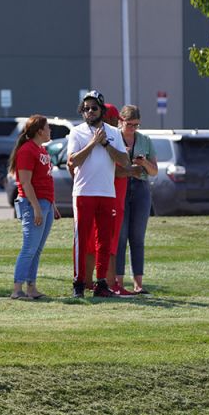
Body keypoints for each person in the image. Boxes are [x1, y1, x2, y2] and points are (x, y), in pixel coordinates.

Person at [67, 89, 129, 299]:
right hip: (84, 192)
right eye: (86, 109)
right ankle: (79, 282)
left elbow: (125, 161)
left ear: (102, 110)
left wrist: (105, 144)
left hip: (107, 193)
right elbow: (72, 161)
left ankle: (102, 283)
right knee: (82, 239)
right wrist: (93, 143)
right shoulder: (77, 132)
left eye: (94, 108)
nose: (90, 112)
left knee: (104, 240)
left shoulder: (113, 132)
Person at [8, 115, 57, 300]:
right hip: (32, 204)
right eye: (48, 127)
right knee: (29, 248)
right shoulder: (27, 150)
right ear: (39, 131)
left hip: (46, 203)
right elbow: (25, 183)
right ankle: (17, 289)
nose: (50, 130)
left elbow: (45, 179)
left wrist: (53, 205)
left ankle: (31, 288)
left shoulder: (41, 150)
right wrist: (36, 207)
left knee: (37, 249)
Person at [114, 104, 157, 295]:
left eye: (136, 125)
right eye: (130, 124)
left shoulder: (145, 140)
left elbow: (154, 171)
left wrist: (143, 162)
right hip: (120, 188)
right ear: (120, 121)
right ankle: (118, 282)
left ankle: (138, 283)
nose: (133, 128)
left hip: (140, 188)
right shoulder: (113, 138)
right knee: (120, 237)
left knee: (137, 237)